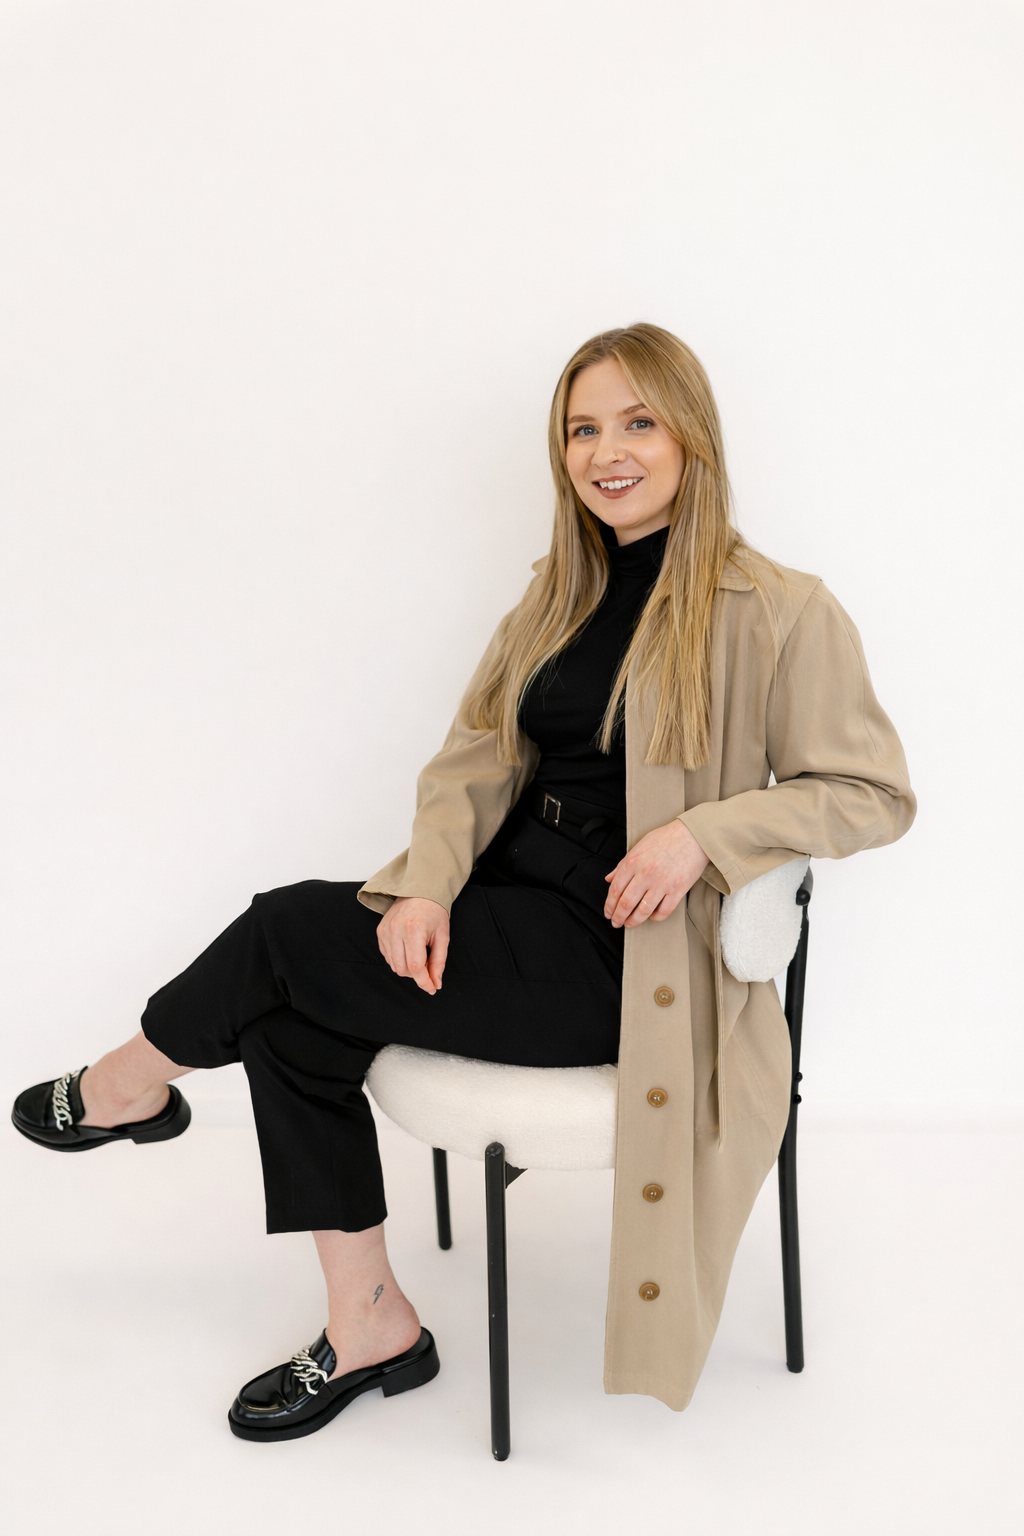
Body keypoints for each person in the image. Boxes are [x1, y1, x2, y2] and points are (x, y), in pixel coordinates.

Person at [12, 323, 915, 1437]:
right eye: (583, 428)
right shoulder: (559, 594)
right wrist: (428, 887)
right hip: (503, 912)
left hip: (627, 956)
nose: (606, 450)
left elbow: (872, 792)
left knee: (285, 931)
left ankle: (126, 1084)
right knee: (292, 1027)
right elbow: (473, 761)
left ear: (692, 434)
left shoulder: (780, 607)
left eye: (637, 421)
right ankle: (371, 1323)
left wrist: (708, 836)